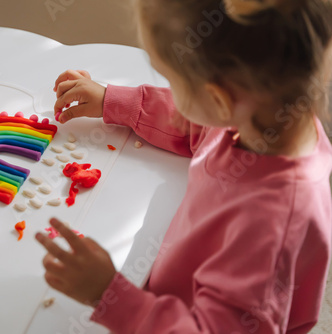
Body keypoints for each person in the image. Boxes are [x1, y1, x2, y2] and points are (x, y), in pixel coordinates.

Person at [35, 0, 332, 332]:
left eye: (173, 80)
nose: (173, 97)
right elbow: (198, 124)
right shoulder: (262, 114)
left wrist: (110, 295)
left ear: (219, 100)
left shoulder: (268, 225)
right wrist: (114, 101)